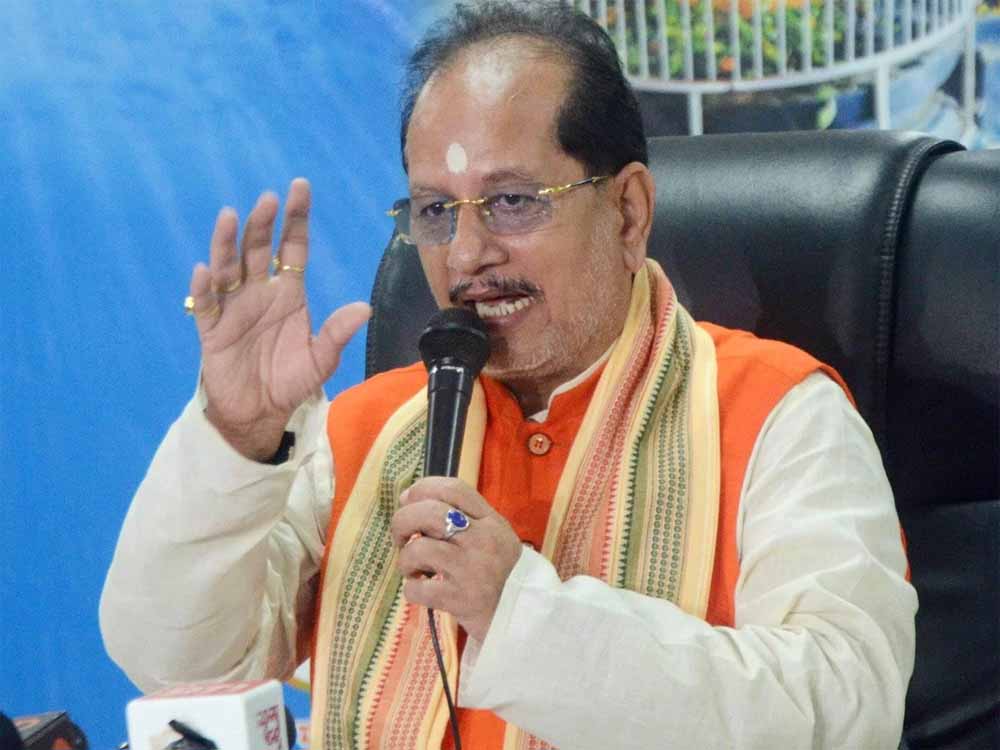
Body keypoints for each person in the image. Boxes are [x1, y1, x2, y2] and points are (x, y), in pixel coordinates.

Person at [100, 2, 917, 748]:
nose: (465, 255)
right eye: (435, 210)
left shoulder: (777, 413)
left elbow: (848, 711)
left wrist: (520, 614)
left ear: (628, 212)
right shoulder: (368, 431)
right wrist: (238, 437)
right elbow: (178, 661)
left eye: (514, 201)